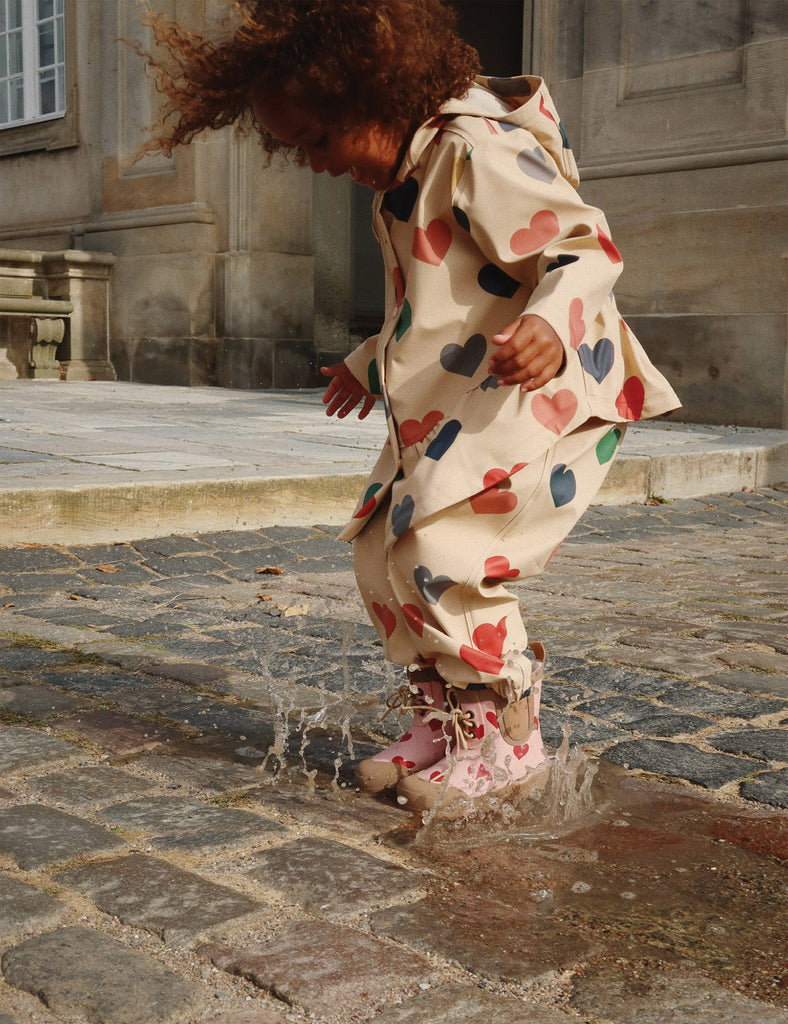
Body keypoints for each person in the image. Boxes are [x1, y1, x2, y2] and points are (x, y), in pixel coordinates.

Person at [141, 0, 680, 813]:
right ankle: (447, 722)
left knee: (445, 551)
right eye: (297, 149)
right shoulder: (405, 180)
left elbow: (584, 246)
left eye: (319, 139)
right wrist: (369, 361)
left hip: (552, 391)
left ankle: (508, 741)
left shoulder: (473, 151)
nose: (317, 164)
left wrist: (548, 322)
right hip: (470, 399)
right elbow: (436, 306)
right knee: (382, 550)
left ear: (373, 95)